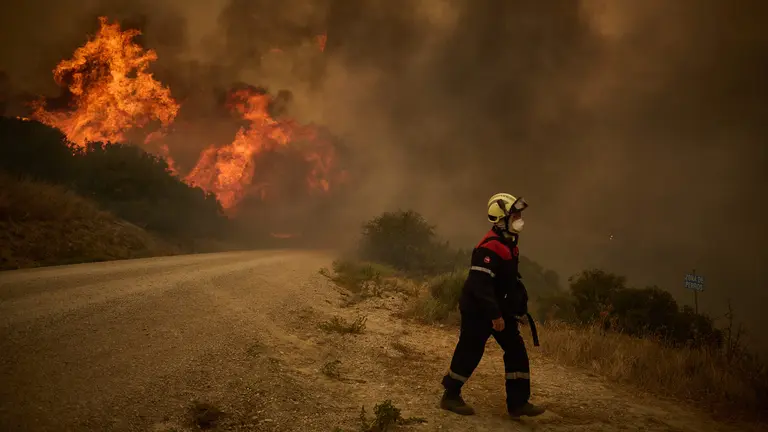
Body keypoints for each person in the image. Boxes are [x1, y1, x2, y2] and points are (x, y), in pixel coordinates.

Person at [439, 192, 545, 418]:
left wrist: (513, 308)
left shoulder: (508, 243)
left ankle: (518, 403)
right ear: (500, 218)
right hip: (479, 310)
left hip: (498, 309)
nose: (519, 218)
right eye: (514, 214)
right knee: (470, 351)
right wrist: (495, 315)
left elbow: (506, 282)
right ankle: (450, 395)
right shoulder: (490, 247)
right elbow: (480, 286)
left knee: (516, 349)